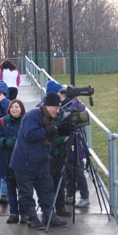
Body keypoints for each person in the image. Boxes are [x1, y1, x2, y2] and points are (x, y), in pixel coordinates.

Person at [10, 93, 68, 230]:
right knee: (26, 193)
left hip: (41, 161)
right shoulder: (32, 116)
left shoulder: (49, 117)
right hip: (25, 163)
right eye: (56, 108)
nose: (58, 111)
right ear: (48, 106)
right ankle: (32, 218)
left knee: (47, 190)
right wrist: (48, 130)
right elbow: (30, 134)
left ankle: (49, 216)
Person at [0, 99, 26, 224]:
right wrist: (6, 142)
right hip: (6, 160)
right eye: (12, 107)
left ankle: (24, 213)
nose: (14, 109)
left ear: (21, 109)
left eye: (17, 107)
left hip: (22, 161)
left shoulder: (26, 121)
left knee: (23, 189)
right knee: (10, 188)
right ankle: (13, 213)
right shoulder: (1, 122)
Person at [45, 81, 73, 217]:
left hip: (60, 151)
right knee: (50, 180)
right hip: (49, 151)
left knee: (59, 179)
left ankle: (60, 206)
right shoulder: (45, 108)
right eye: (59, 92)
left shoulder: (60, 108)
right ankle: (49, 211)